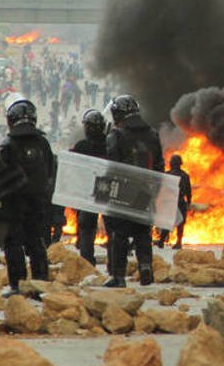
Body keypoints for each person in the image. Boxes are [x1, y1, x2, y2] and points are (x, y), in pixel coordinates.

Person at [104, 95, 164, 287]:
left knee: (119, 235)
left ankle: (119, 276)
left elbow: (111, 165)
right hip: (146, 191)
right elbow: (159, 166)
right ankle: (145, 267)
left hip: (123, 191)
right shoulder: (152, 134)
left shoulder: (116, 135)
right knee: (142, 232)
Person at [0, 97, 55, 294]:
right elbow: (50, 171)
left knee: (13, 242)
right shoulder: (43, 143)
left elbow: (0, 175)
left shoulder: (8, 144)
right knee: (36, 240)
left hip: (14, 201)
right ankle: (41, 281)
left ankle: (17, 284)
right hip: (38, 200)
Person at [70, 109, 107, 266]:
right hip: (107, 191)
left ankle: (87, 263)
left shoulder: (81, 146)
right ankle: (115, 265)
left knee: (86, 228)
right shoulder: (110, 143)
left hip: (87, 193)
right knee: (113, 229)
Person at [157, 154, 191, 249]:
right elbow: (188, 191)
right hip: (181, 202)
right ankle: (178, 242)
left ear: (171, 164)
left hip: (170, 202)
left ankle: (161, 241)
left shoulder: (167, 175)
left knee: (168, 222)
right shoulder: (185, 175)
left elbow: (161, 190)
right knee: (180, 224)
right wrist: (189, 202)